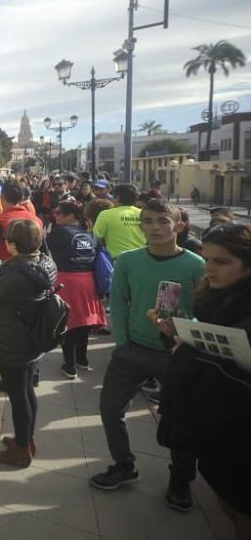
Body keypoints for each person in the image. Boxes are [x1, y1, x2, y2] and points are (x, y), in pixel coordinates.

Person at [90, 199, 203, 511]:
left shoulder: (196, 265)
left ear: (179, 226)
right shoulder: (127, 261)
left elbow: (203, 312)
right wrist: (123, 343)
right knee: (111, 408)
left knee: (181, 419)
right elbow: (120, 302)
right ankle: (124, 465)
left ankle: (181, 479)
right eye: (148, 221)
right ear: (140, 226)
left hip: (178, 355)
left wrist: (183, 330)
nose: (155, 227)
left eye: (163, 221)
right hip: (132, 351)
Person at [155, 224, 251, 537]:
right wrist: (176, 336)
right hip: (210, 415)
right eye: (207, 259)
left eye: (221, 261)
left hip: (237, 424)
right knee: (226, 502)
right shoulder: (214, 296)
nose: (209, 268)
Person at [0, 219, 56, 467]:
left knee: (19, 396)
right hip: (32, 337)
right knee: (27, 391)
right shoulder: (43, 263)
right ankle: (25, 439)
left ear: (13, 245)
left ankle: (21, 450)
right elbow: (13, 281)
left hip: (14, 340)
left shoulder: (20, 273)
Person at [45, 201, 106, 378]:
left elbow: (44, 249)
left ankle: (70, 365)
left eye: (59, 213)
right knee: (83, 323)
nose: (55, 216)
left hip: (66, 281)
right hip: (88, 280)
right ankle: (82, 360)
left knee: (67, 322)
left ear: (71, 216)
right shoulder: (90, 233)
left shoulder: (58, 233)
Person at [93, 184, 145, 259]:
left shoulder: (106, 214)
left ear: (117, 197)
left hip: (116, 263)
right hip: (141, 260)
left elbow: (95, 239)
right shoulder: (143, 214)